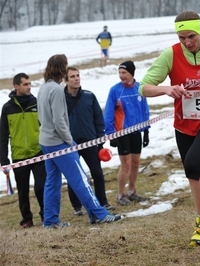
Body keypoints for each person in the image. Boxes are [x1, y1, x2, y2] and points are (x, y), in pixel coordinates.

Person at [139, 10, 200, 254]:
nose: (186, 42)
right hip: (184, 127)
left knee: (193, 163)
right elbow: (143, 88)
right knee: (198, 175)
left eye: (190, 36)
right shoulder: (170, 55)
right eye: (181, 37)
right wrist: (166, 88)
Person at [37, 54, 122, 228]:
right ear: (61, 68)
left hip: (45, 142)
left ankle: (51, 221)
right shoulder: (56, 90)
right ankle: (99, 214)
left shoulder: (43, 87)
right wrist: (70, 141)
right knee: (80, 179)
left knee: (52, 182)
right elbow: (59, 120)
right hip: (59, 143)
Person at [64, 67, 115, 216]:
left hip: (90, 142)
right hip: (70, 144)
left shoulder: (89, 96)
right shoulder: (61, 99)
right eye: (72, 76)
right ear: (66, 80)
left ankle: (103, 201)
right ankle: (77, 207)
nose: (76, 78)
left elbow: (99, 119)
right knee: (74, 176)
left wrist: (100, 141)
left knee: (97, 174)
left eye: (78, 75)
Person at [0, 73, 46, 228]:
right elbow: (3, 136)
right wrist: (4, 160)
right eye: (25, 84)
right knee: (23, 191)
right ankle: (27, 219)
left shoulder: (36, 103)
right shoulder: (7, 108)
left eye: (30, 84)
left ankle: (46, 215)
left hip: (38, 153)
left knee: (41, 186)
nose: (29, 87)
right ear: (16, 86)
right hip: (19, 156)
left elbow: (46, 128)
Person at [103, 60, 150, 206]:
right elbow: (109, 113)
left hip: (136, 132)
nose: (121, 76)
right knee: (126, 165)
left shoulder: (140, 88)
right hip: (122, 133)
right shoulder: (115, 90)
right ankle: (120, 195)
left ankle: (132, 191)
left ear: (131, 73)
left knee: (135, 163)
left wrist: (146, 131)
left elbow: (144, 110)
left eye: (124, 73)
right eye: (119, 73)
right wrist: (111, 134)